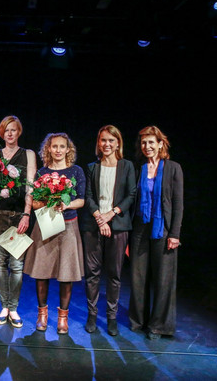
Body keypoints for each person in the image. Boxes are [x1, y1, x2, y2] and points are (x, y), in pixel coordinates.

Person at [23, 132, 85, 334]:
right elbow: (34, 201)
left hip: (68, 227)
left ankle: (62, 319)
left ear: (68, 149)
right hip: (46, 225)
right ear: (48, 149)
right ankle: (42, 315)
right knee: (42, 272)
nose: (58, 150)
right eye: (54, 146)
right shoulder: (42, 172)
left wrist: (64, 204)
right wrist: (46, 203)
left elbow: (82, 199)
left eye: (62, 146)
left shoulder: (76, 171)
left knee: (66, 274)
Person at [129, 126, 183, 340]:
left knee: (163, 279)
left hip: (164, 229)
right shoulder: (138, 167)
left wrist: (175, 234)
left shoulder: (173, 168)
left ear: (161, 144)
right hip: (140, 227)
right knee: (137, 276)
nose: (147, 146)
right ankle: (138, 320)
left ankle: (158, 325)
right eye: (144, 143)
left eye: (152, 142)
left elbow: (178, 204)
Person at [81, 125, 136, 336]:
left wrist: (110, 215)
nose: (107, 144)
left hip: (118, 226)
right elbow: (88, 197)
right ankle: (92, 315)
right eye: (103, 140)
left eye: (111, 141)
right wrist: (100, 219)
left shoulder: (127, 166)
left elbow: (131, 195)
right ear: (98, 142)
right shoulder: (92, 167)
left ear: (118, 143)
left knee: (114, 274)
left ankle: (111, 317)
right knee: (92, 274)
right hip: (93, 226)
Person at [0, 116, 37, 328]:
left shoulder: (28, 155)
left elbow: (30, 186)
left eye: (13, 130)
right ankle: (4, 306)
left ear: (19, 132)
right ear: (2, 133)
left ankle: (14, 307)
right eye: (6, 130)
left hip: (19, 215)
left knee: (17, 265)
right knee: (0, 262)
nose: (10, 134)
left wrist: (27, 214)